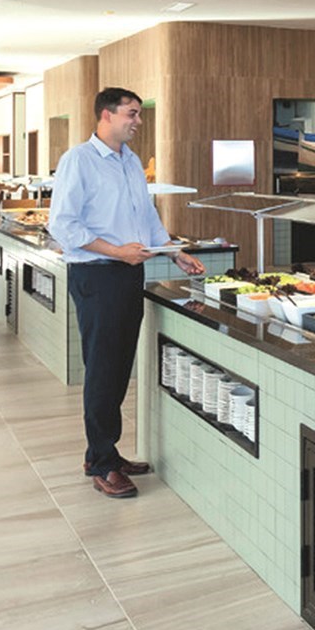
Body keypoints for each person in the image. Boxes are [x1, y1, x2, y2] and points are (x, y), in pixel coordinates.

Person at [49, 87, 204, 499]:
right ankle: (103, 464)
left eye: (138, 114)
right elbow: (63, 225)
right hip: (96, 275)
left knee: (118, 367)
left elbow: (146, 217)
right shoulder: (79, 160)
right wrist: (117, 251)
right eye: (131, 113)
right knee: (103, 369)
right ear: (106, 115)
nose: (138, 121)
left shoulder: (131, 161)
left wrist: (175, 252)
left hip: (127, 274)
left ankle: (103, 453)